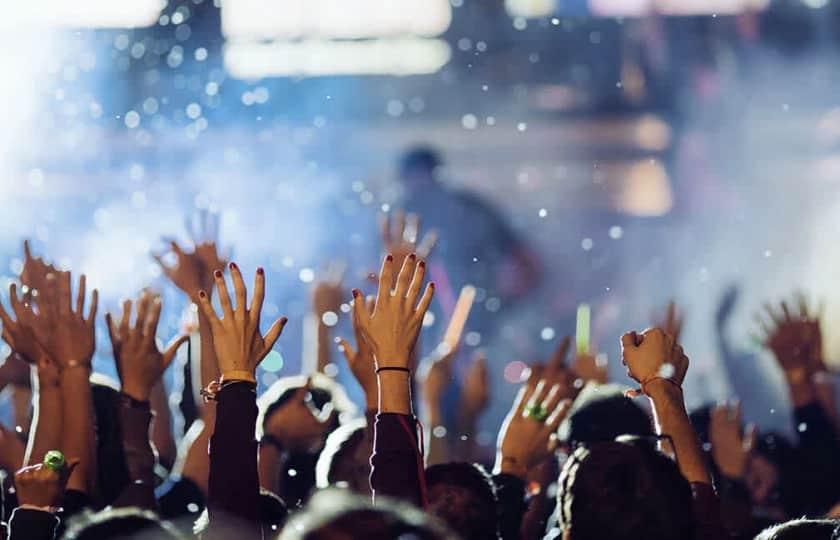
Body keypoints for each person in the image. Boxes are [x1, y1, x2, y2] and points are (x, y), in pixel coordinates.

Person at [394, 145, 541, 306]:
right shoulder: (398, 217)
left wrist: (509, 271)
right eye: (413, 177)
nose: (419, 183)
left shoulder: (468, 207)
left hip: (478, 296)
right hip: (420, 305)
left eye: (421, 175)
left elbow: (511, 248)